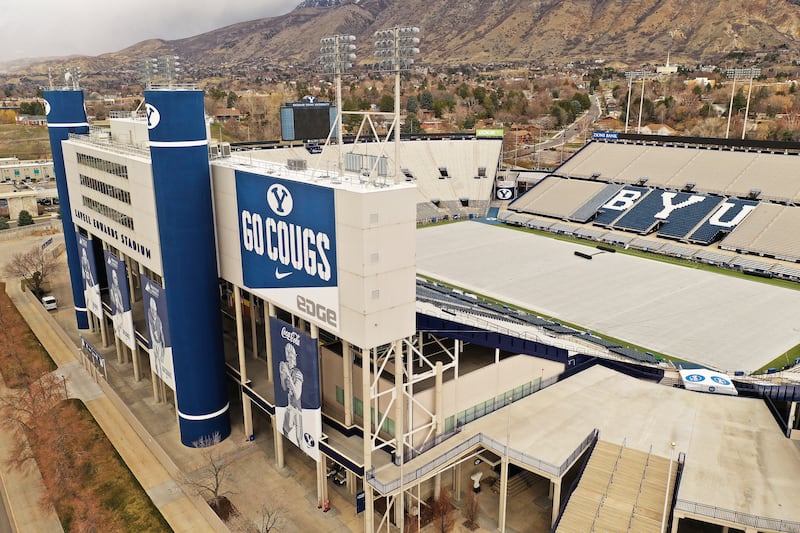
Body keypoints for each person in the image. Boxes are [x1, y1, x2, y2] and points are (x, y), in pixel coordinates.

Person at [279, 342, 304, 446]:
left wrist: (288, 375)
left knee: (299, 439)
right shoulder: (288, 369)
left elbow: (297, 394)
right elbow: (284, 388)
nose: (289, 358)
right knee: (285, 430)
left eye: (291, 355)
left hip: (297, 409)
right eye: (288, 354)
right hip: (290, 406)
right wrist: (283, 375)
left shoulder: (297, 373)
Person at [147, 296, 166, 379]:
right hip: (155, 343)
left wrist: (163, 348)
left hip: (159, 344)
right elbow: (151, 331)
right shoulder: (150, 319)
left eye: (154, 311)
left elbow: (162, 335)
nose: (153, 312)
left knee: (160, 361)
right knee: (156, 360)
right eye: (152, 311)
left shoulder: (158, 321)